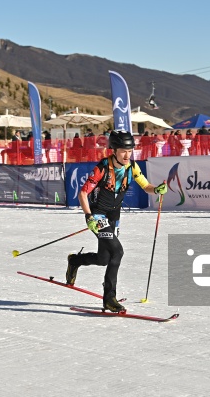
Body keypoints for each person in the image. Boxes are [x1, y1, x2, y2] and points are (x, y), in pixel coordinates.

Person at [66, 130, 167, 312]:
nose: (127, 155)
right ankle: (109, 298)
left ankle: (75, 261)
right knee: (118, 252)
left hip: (114, 216)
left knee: (104, 258)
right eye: (123, 151)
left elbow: (146, 186)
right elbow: (82, 193)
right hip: (98, 215)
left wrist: (157, 190)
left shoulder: (132, 167)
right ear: (113, 150)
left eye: (130, 151)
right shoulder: (102, 168)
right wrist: (89, 217)